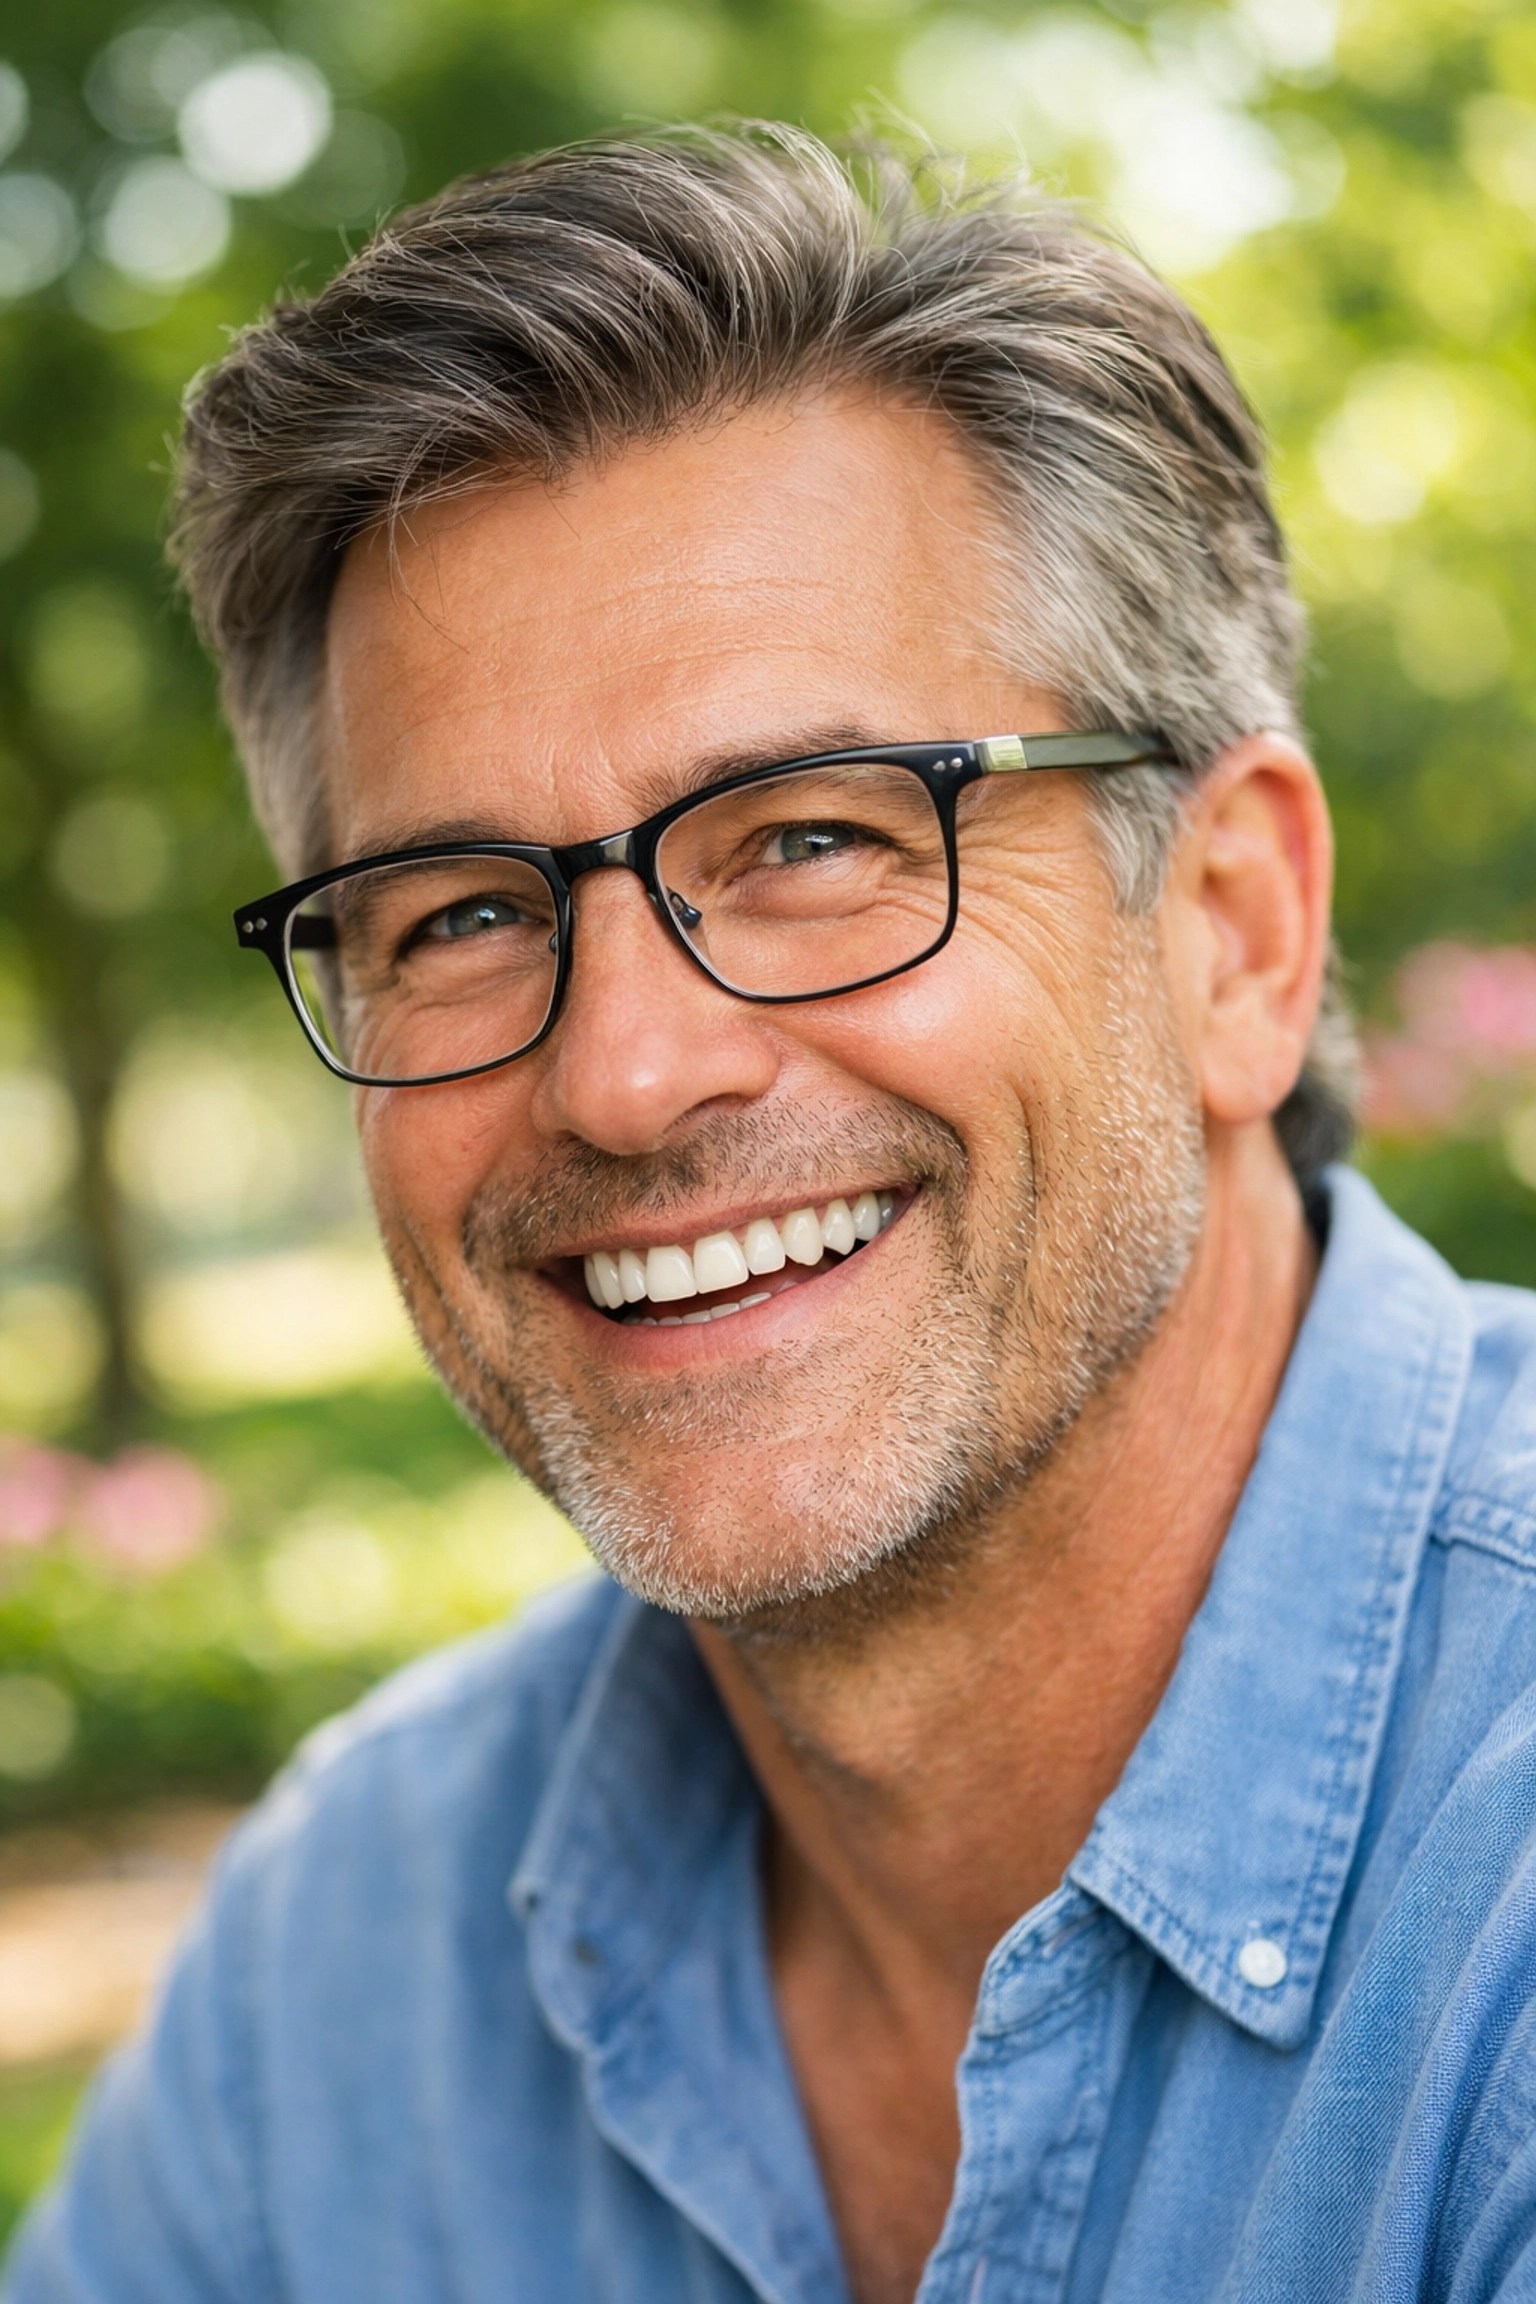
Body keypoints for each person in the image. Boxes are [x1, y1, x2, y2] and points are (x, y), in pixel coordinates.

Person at [10, 121, 1536, 2304]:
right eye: (452, 911)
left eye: (815, 838)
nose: (626, 1074)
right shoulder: (341, 1972)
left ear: (1233, 932)